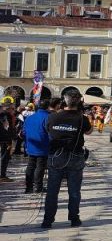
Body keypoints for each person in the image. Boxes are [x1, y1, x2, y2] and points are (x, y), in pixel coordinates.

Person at [42, 92, 92, 228]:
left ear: (63, 102)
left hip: (56, 156)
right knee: (74, 191)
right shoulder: (82, 118)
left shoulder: (52, 117)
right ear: (79, 103)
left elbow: (48, 130)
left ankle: (47, 220)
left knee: (52, 191)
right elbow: (89, 131)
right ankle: (74, 219)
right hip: (75, 156)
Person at [23, 98, 54, 194]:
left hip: (31, 144)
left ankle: (28, 187)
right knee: (40, 166)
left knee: (31, 165)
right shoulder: (48, 117)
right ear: (48, 107)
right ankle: (38, 187)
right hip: (43, 145)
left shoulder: (29, 117)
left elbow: (24, 132)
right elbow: (51, 133)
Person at [0, 102, 16, 182]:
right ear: (7, 109)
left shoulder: (5, 115)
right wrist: (10, 138)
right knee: (4, 157)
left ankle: (3, 174)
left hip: (5, 139)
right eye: (12, 108)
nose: (14, 110)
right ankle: (2, 175)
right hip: (5, 140)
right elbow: (6, 128)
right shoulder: (5, 116)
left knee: (5, 157)